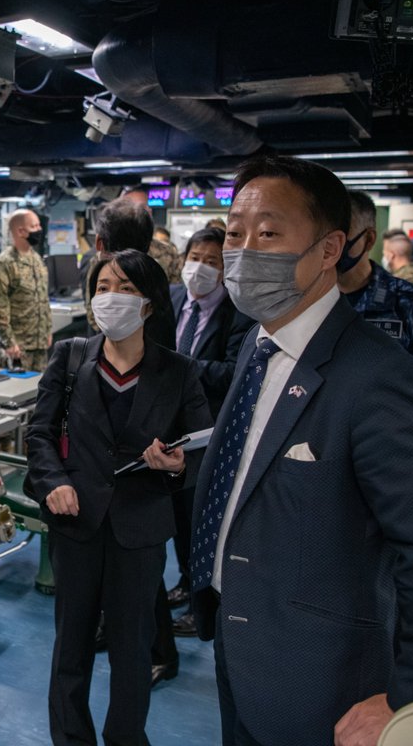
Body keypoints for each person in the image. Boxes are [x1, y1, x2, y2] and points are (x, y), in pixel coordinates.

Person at [189, 155, 413, 746]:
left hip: (323, 680)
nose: (242, 253)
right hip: (239, 642)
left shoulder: (380, 378)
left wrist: (408, 695)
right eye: (235, 235)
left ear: (329, 249)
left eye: (268, 234)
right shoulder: (257, 346)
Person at [25, 249, 212, 746]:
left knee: (133, 650)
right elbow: (39, 433)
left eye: (125, 288)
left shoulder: (178, 371)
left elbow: (201, 450)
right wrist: (53, 481)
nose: (111, 298)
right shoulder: (70, 357)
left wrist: (178, 466)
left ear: (149, 303)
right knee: (71, 646)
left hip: (140, 530)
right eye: (103, 287)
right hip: (76, 524)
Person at [166, 227, 253, 638]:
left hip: (210, 434)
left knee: (204, 521)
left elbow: (233, 372)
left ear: (225, 269)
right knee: (179, 519)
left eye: (212, 261)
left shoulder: (238, 313)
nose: (199, 267)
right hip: (168, 431)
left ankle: (203, 604)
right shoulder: (172, 299)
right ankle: (186, 583)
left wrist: (181, 367)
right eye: (195, 258)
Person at [337, 191, 413, 374]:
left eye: (342, 236)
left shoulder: (410, 303)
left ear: (369, 239)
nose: (332, 245)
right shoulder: (305, 299)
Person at [79, 197, 177, 348]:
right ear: (148, 242)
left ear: (99, 243)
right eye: (104, 288)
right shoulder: (164, 259)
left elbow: (94, 319)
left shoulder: (97, 268)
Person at [0, 208, 52, 371]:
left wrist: (48, 331)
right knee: (20, 387)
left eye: (39, 226)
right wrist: (9, 342)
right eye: (34, 226)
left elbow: (43, 299)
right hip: (18, 348)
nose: (39, 230)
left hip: (40, 344)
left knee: (40, 386)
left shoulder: (36, 259)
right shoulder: (4, 264)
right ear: (21, 231)